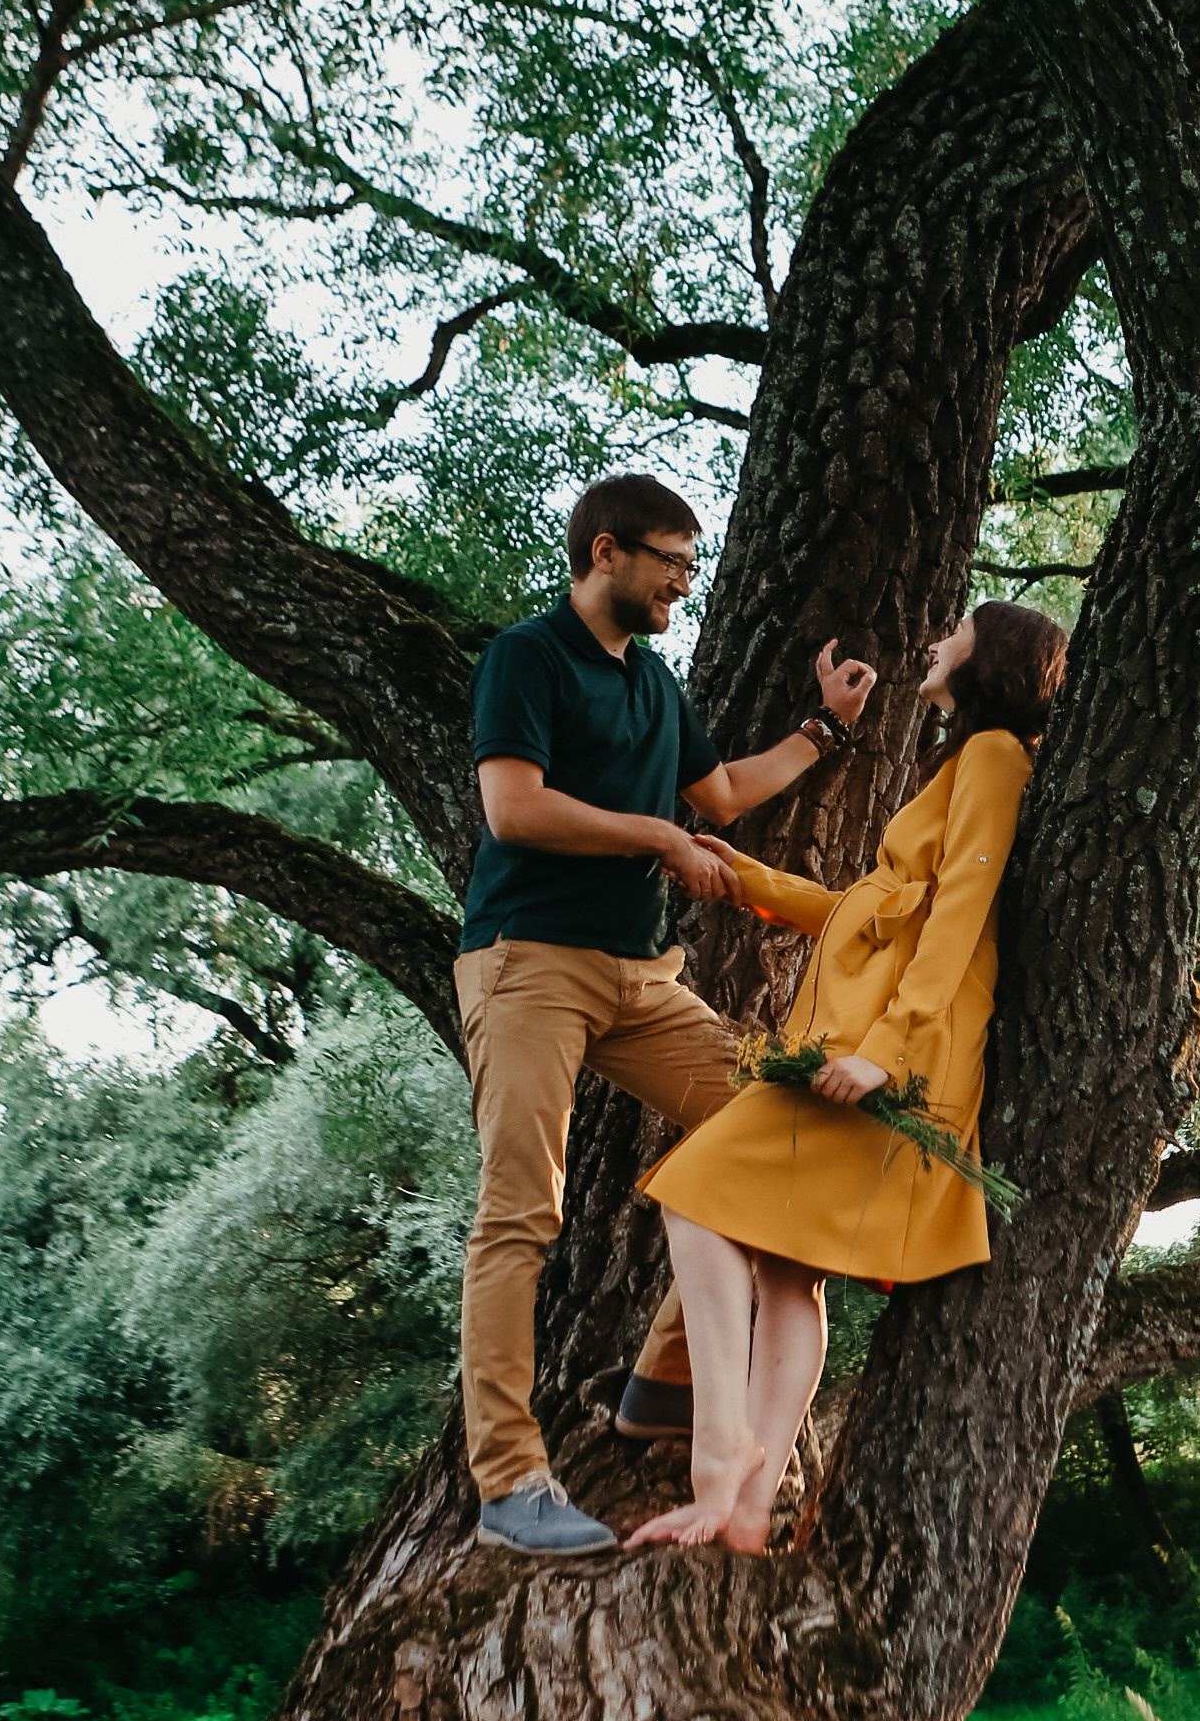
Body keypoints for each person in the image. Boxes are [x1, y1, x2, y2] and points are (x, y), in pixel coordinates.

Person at [457, 473, 876, 1562]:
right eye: (673, 564)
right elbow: (513, 806)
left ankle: (659, 1388)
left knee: (778, 1124)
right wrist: (655, 840)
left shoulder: (653, 685)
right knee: (521, 1213)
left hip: (641, 978)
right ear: (606, 552)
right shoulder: (529, 657)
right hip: (528, 963)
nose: (684, 586)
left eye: (692, 568)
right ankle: (510, 1482)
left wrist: (824, 731)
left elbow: (724, 795)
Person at [626, 598, 1068, 1556]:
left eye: (955, 629)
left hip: (885, 1067)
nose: (934, 637)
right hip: (860, 1054)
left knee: (692, 1196)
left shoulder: (994, 757)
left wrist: (890, 1053)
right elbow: (869, 909)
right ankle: (744, 1513)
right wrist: (749, 878)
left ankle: (723, 1457)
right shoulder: (961, 762)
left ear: (992, 657)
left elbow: (963, 909)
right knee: (788, 1276)